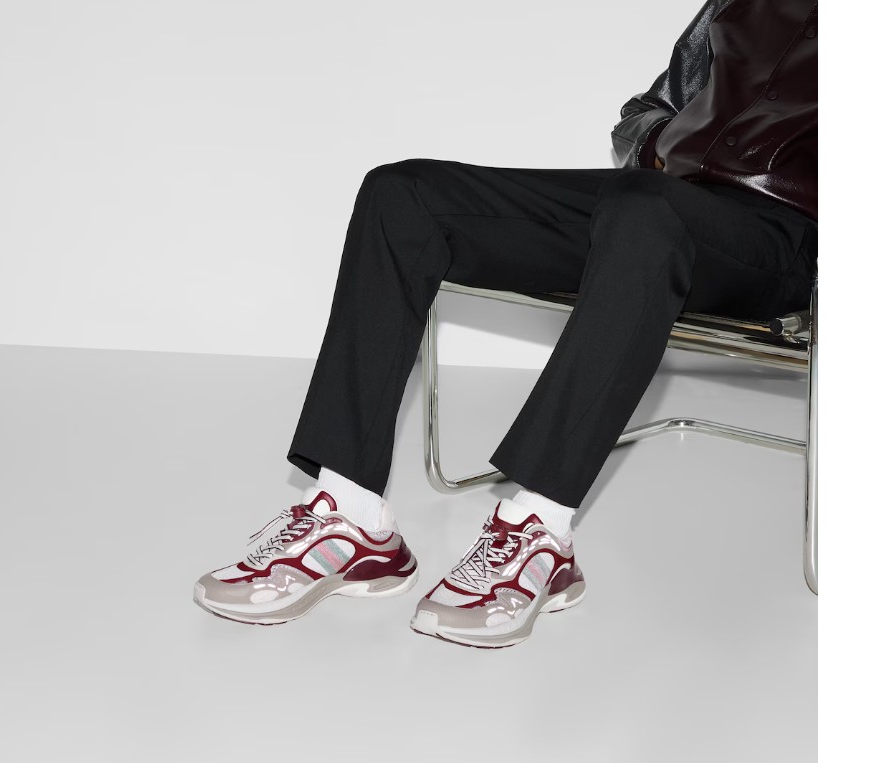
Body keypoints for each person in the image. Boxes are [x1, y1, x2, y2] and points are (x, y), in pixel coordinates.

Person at [192, 0, 818, 648]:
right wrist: (663, 145)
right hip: (657, 204)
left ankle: (539, 528)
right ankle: (350, 515)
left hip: (782, 239)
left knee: (646, 213)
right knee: (401, 196)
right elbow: (650, 109)